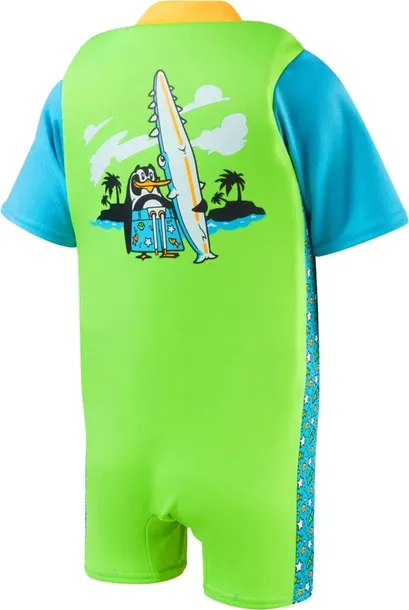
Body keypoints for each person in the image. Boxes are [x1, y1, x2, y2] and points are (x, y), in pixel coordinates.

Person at [1, 2, 407, 609]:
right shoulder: (290, 74)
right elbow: (355, 227)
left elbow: (51, 219)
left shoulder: (75, 82)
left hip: (120, 453)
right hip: (256, 460)